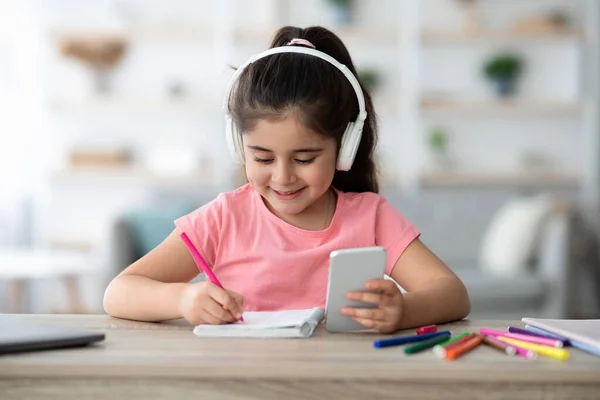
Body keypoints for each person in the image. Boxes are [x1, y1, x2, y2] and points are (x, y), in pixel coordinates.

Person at [103, 26, 470, 333]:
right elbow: (118, 292)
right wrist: (182, 299)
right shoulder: (222, 218)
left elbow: (452, 293)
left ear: (344, 148)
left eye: (305, 158)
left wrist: (405, 310)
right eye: (262, 157)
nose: (283, 177)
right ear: (238, 146)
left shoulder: (371, 216)